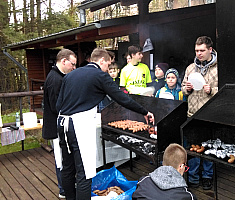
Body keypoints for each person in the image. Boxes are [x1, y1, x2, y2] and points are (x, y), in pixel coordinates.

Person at [56, 47, 154, 200]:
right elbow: (121, 98)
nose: (108, 69)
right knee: (84, 172)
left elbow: (58, 105)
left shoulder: (71, 75)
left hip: (62, 123)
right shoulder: (100, 75)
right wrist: (144, 111)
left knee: (68, 168)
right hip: (79, 126)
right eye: (108, 65)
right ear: (101, 61)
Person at [181, 36, 218, 190]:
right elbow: (182, 87)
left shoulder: (219, 68)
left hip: (210, 115)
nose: (199, 53)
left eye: (202, 50)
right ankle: (194, 177)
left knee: (208, 148)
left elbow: (225, 91)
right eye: (197, 50)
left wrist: (212, 90)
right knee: (192, 148)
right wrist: (186, 89)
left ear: (210, 49)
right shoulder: (190, 68)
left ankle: (207, 177)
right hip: (192, 114)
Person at [42, 48, 77, 198]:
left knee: (62, 158)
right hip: (56, 127)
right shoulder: (55, 79)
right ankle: (63, 189)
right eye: (73, 64)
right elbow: (57, 106)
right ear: (64, 61)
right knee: (61, 160)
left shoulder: (57, 75)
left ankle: (65, 187)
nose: (74, 68)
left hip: (59, 125)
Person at [132, 143, 197, 200]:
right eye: (185, 168)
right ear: (181, 167)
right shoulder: (187, 196)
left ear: (163, 162)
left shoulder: (143, 181)